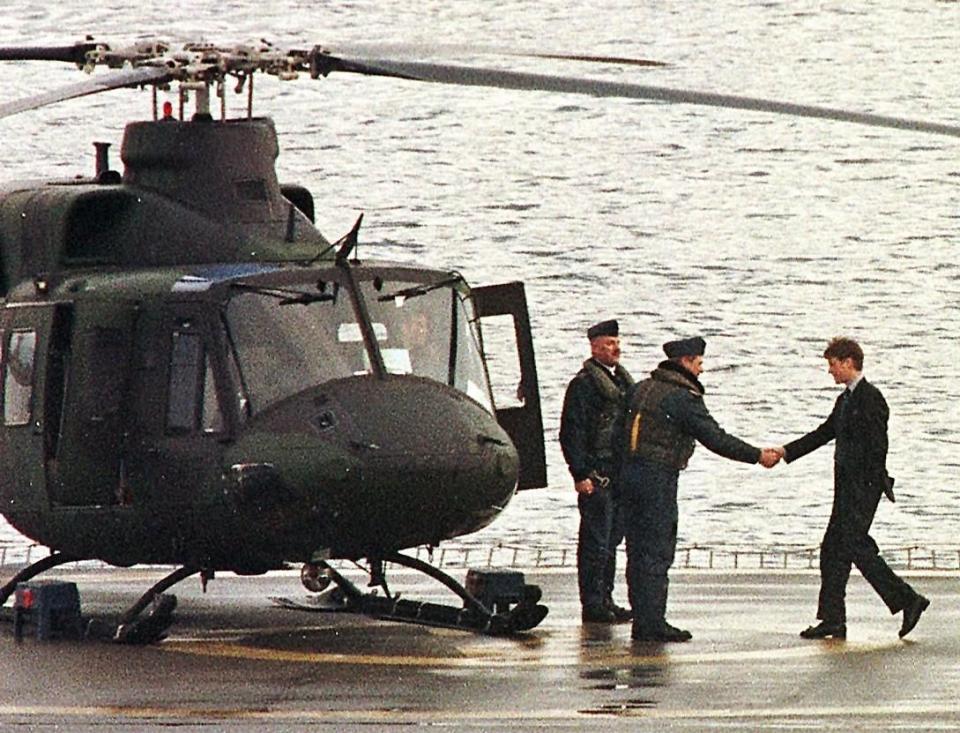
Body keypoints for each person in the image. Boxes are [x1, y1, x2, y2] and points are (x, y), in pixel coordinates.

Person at [621, 336, 781, 642]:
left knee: (636, 551)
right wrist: (757, 455)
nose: (701, 370)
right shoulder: (681, 397)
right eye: (699, 363)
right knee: (657, 550)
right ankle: (653, 624)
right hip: (658, 479)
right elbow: (715, 438)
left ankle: (642, 619)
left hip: (629, 476)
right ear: (684, 363)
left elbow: (618, 433)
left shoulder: (640, 388)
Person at [775, 337, 928, 640]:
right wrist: (784, 451)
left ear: (848, 362)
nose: (830, 371)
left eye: (832, 365)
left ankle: (907, 599)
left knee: (854, 545)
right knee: (834, 549)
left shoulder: (871, 398)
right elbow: (824, 433)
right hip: (847, 488)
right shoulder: (845, 400)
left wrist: (865, 487)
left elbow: (878, 448)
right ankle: (833, 619)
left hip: (863, 488)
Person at [559, 319, 634, 623]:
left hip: (617, 474)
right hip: (596, 474)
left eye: (616, 342)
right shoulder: (584, 385)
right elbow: (571, 433)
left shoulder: (620, 382)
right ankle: (592, 604)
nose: (615, 348)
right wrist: (579, 474)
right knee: (594, 543)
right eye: (608, 343)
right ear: (593, 347)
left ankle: (606, 599)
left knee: (611, 541)